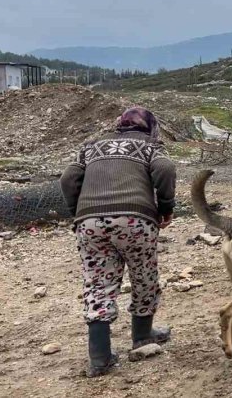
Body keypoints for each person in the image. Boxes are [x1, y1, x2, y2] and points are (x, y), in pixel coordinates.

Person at [60, 107, 176, 377]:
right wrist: (166, 206)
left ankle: (99, 357)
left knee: (98, 283)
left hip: (90, 224)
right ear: (150, 127)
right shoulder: (149, 146)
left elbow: (68, 178)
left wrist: (78, 210)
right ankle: (142, 336)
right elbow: (165, 168)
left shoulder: (91, 146)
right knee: (144, 275)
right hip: (134, 220)